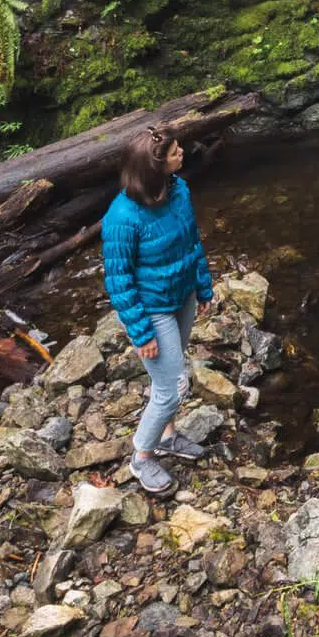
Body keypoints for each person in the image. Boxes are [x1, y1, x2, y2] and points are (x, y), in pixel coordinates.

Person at [100, 125, 217, 495]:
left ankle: (167, 436)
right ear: (153, 165)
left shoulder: (178, 190)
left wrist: (203, 286)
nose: (181, 152)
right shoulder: (122, 217)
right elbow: (118, 281)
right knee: (173, 387)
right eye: (173, 151)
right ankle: (142, 457)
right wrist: (140, 332)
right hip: (151, 308)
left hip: (180, 294)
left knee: (168, 375)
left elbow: (191, 241)